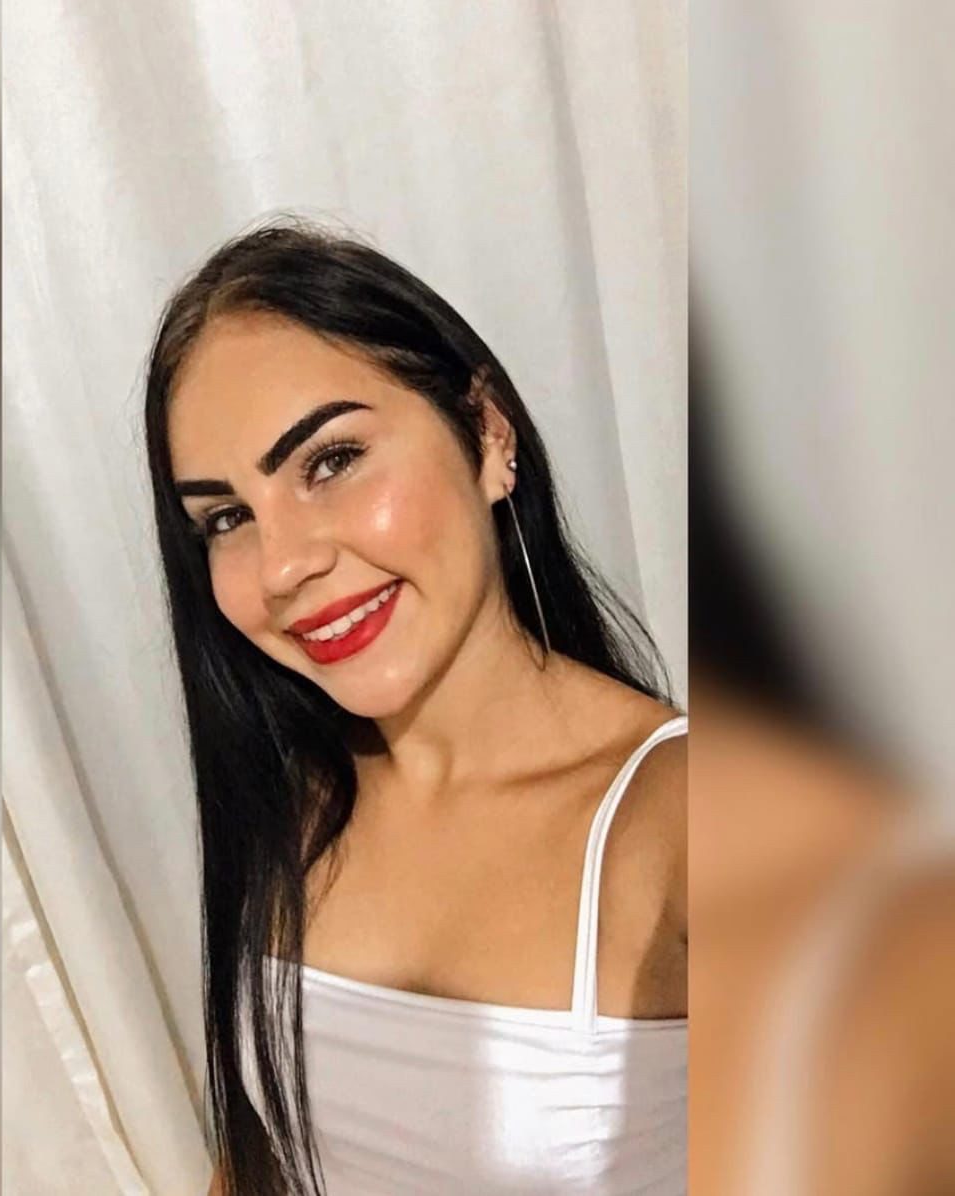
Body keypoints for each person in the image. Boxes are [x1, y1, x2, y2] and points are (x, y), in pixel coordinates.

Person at [142, 219, 686, 1195]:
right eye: (226, 517)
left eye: (330, 461)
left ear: (487, 432)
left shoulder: (689, 824)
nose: (282, 565)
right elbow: (266, 1156)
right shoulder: (300, 798)